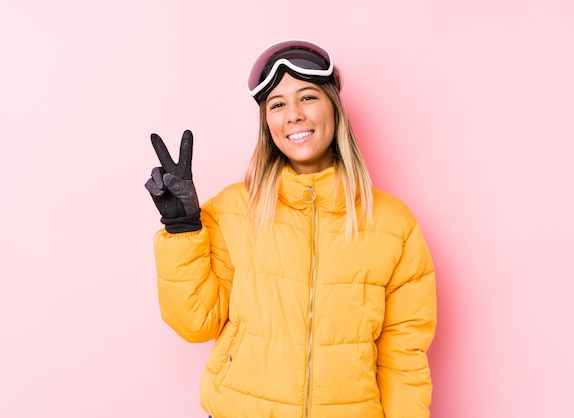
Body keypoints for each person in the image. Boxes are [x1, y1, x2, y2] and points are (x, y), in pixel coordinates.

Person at [145, 39, 437, 418]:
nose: (294, 115)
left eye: (308, 97)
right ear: (268, 122)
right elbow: (196, 324)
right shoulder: (235, 210)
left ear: (334, 106)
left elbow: (403, 356)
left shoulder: (393, 225)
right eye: (278, 104)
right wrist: (182, 231)